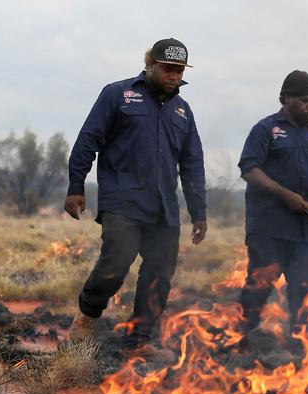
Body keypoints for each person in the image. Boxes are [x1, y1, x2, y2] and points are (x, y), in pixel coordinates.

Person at [64, 38, 207, 361]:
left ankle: (139, 340)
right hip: (123, 200)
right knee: (116, 262)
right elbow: (89, 139)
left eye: (179, 71)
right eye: (168, 69)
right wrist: (76, 186)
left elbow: (193, 163)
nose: (174, 76)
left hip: (164, 207)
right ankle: (86, 317)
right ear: (151, 65)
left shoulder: (183, 111)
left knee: (159, 274)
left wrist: (199, 213)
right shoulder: (117, 94)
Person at [236, 70, 308, 353]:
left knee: (307, 291)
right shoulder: (266, 129)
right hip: (269, 228)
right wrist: (283, 194)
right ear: (286, 99)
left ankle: (301, 350)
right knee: (259, 287)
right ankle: (239, 341)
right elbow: (249, 169)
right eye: (305, 100)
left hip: (307, 232)